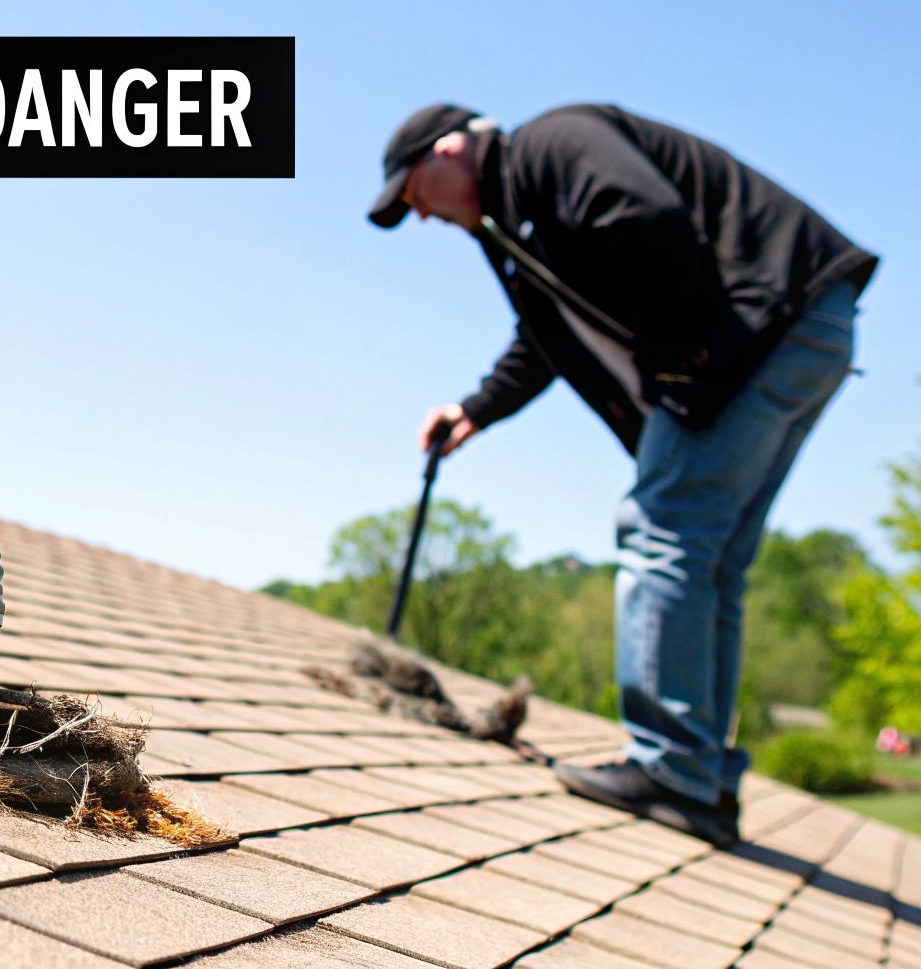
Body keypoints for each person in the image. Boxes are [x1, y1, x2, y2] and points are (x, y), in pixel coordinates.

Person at [369, 102, 877, 846]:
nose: (418, 215)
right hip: (806, 326)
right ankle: (700, 772)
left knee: (662, 529)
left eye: (412, 193)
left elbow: (648, 220)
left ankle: (672, 768)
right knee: (712, 558)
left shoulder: (551, 145)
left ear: (448, 151)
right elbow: (544, 331)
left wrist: (677, 369)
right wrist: (477, 408)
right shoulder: (517, 218)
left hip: (766, 323)